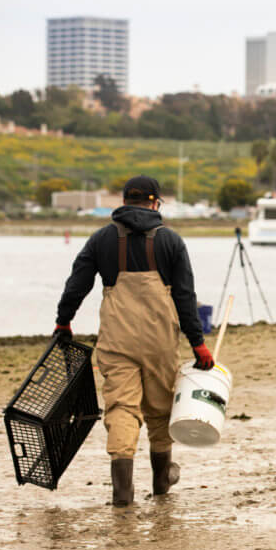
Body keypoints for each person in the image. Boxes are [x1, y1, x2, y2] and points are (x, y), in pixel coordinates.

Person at [54, 175, 214, 507]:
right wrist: (198, 344)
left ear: (124, 202)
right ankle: (160, 484)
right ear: (155, 203)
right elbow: (185, 297)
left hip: (117, 339)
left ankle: (122, 495)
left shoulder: (101, 240)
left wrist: (63, 321)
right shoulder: (171, 241)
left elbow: (77, 284)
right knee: (159, 410)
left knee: (121, 409)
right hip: (159, 340)